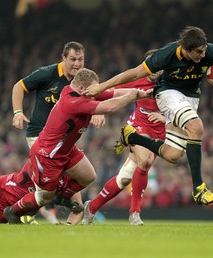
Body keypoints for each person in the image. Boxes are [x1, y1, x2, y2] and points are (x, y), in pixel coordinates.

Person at [84, 26, 213, 206]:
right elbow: (134, 73)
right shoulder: (167, 54)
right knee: (196, 127)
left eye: (204, 51)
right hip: (168, 92)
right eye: (198, 52)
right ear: (186, 49)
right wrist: (101, 87)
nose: (203, 56)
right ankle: (199, 188)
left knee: (173, 155)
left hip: (190, 98)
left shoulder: (209, 51)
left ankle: (132, 136)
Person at [2, 68, 153, 223]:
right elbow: (110, 107)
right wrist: (132, 96)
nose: (97, 91)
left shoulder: (81, 92)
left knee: (88, 176)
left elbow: (113, 93)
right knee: (44, 198)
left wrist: (142, 93)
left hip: (66, 149)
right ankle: (13, 211)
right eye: (95, 88)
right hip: (47, 155)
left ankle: (64, 197)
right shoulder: (73, 101)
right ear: (82, 88)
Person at [11, 41, 105, 224]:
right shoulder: (48, 74)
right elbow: (18, 87)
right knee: (52, 186)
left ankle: (67, 223)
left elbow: (99, 97)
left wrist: (99, 112)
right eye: (73, 59)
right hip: (40, 137)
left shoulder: (83, 81)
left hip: (63, 141)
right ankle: (19, 210)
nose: (77, 64)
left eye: (81, 59)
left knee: (74, 178)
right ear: (63, 58)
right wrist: (17, 113)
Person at [82, 50, 168, 226]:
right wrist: (99, 111)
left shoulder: (171, 83)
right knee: (145, 161)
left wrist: (166, 118)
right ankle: (134, 213)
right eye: (149, 66)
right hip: (136, 128)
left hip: (160, 133)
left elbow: (185, 107)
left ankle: (91, 208)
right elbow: (104, 93)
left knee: (125, 178)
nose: (152, 70)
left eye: (156, 66)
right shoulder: (136, 80)